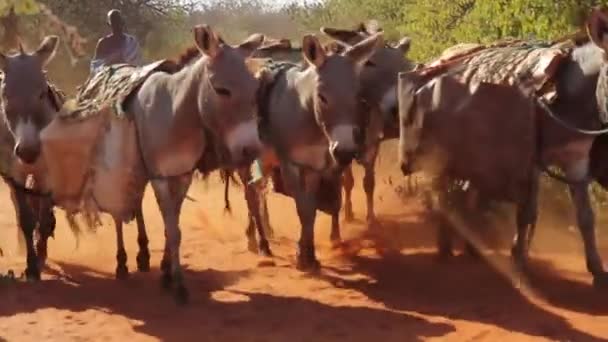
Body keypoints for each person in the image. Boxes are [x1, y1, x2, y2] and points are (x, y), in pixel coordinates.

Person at [90, 9, 143, 75]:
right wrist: (109, 61)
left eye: (118, 21)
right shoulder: (103, 43)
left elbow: (138, 63)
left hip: (130, 75)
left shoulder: (132, 41)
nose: (117, 25)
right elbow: (95, 67)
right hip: (110, 77)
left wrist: (123, 60)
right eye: (114, 22)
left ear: (123, 22)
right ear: (109, 24)